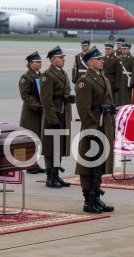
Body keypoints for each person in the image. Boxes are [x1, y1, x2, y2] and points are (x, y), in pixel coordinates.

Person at [75, 46, 115, 213]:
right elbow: (84, 109)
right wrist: (92, 130)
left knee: (99, 164)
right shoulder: (85, 80)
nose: (102, 61)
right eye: (98, 59)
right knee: (89, 164)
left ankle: (97, 197)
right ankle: (88, 199)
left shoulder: (102, 78)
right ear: (90, 62)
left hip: (104, 125)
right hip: (93, 127)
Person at [40, 46, 72, 188]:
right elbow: (46, 100)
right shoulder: (48, 75)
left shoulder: (63, 73)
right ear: (53, 60)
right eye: (60, 57)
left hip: (63, 113)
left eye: (63, 57)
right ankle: (50, 177)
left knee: (59, 146)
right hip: (53, 116)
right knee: (51, 147)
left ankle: (56, 175)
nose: (63, 59)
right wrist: (53, 119)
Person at [18, 51, 46, 174]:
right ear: (30, 63)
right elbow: (25, 95)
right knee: (30, 138)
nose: (40, 64)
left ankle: (34, 163)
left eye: (40, 62)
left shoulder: (42, 76)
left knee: (37, 138)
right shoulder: (26, 77)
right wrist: (37, 105)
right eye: (37, 62)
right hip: (31, 112)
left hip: (41, 111)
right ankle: (29, 164)